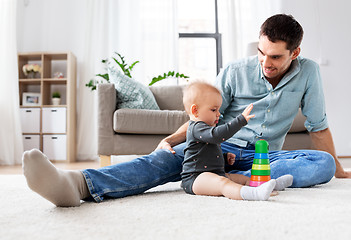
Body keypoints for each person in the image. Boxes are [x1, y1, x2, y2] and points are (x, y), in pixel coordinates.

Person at [22, 14, 351, 207]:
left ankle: (235, 182)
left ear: (295, 53)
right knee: (163, 161)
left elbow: (318, 126)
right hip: (217, 149)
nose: (266, 63)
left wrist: (338, 170)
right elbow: (201, 117)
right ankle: (76, 185)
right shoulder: (236, 71)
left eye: (276, 57)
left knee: (320, 165)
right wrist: (172, 139)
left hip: (266, 157)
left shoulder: (308, 72)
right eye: (262, 53)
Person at [180, 81, 293, 200]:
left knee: (242, 179)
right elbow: (217, 136)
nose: (218, 114)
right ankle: (254, 194)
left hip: (213, 174)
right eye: (214, 110)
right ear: (195, 111)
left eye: (218, 110)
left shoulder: (205, 130)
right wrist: (240, 120)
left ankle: (269, 185)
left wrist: (224, 157)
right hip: (195, 179)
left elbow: (206, 154)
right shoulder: (196, 128)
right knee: (223, 183)